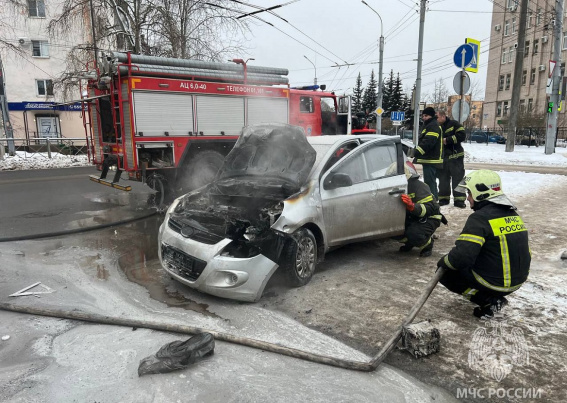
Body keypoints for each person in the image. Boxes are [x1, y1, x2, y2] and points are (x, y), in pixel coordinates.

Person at [437, 170, 531, 319]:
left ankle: (488, 301)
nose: (467, 198)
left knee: (446, 273)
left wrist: (444, 261)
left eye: (469, 193)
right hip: (517, 280)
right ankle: (491, 294)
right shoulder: (512, 214)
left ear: (480, 193)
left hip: (496, 283)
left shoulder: (480, 218)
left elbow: (462, 257)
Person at [398, 161, 446, 257]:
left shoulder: (419, 186)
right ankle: (411, 242)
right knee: (395, 231)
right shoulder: (398, 188)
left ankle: (427, 244)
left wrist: (412, 206)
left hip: (430, 217)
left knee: (414, 233)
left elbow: (430, 208)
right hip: (414, 217)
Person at [436, 110, 467, 208]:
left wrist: (447, 140)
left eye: (437, 117)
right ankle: (443, 199)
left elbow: (462, 135)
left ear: (443, 116)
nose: (435, 119)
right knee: (443, 179)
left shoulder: (454, 124)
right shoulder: (436, 127)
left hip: (455, 157)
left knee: (458, 179)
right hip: (443, 157)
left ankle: (459, 200)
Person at [414, 107, 443, 200]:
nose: (424, 117)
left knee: (430, 182)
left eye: (426, 115)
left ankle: (433, 201)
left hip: (431, 159)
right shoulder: (429, 125)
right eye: (423, 115)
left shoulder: (433, 126)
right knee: (429, 182)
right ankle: (433, 200)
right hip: (429, 159)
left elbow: (428, 142)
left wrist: (417, 152)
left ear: (431, 115)